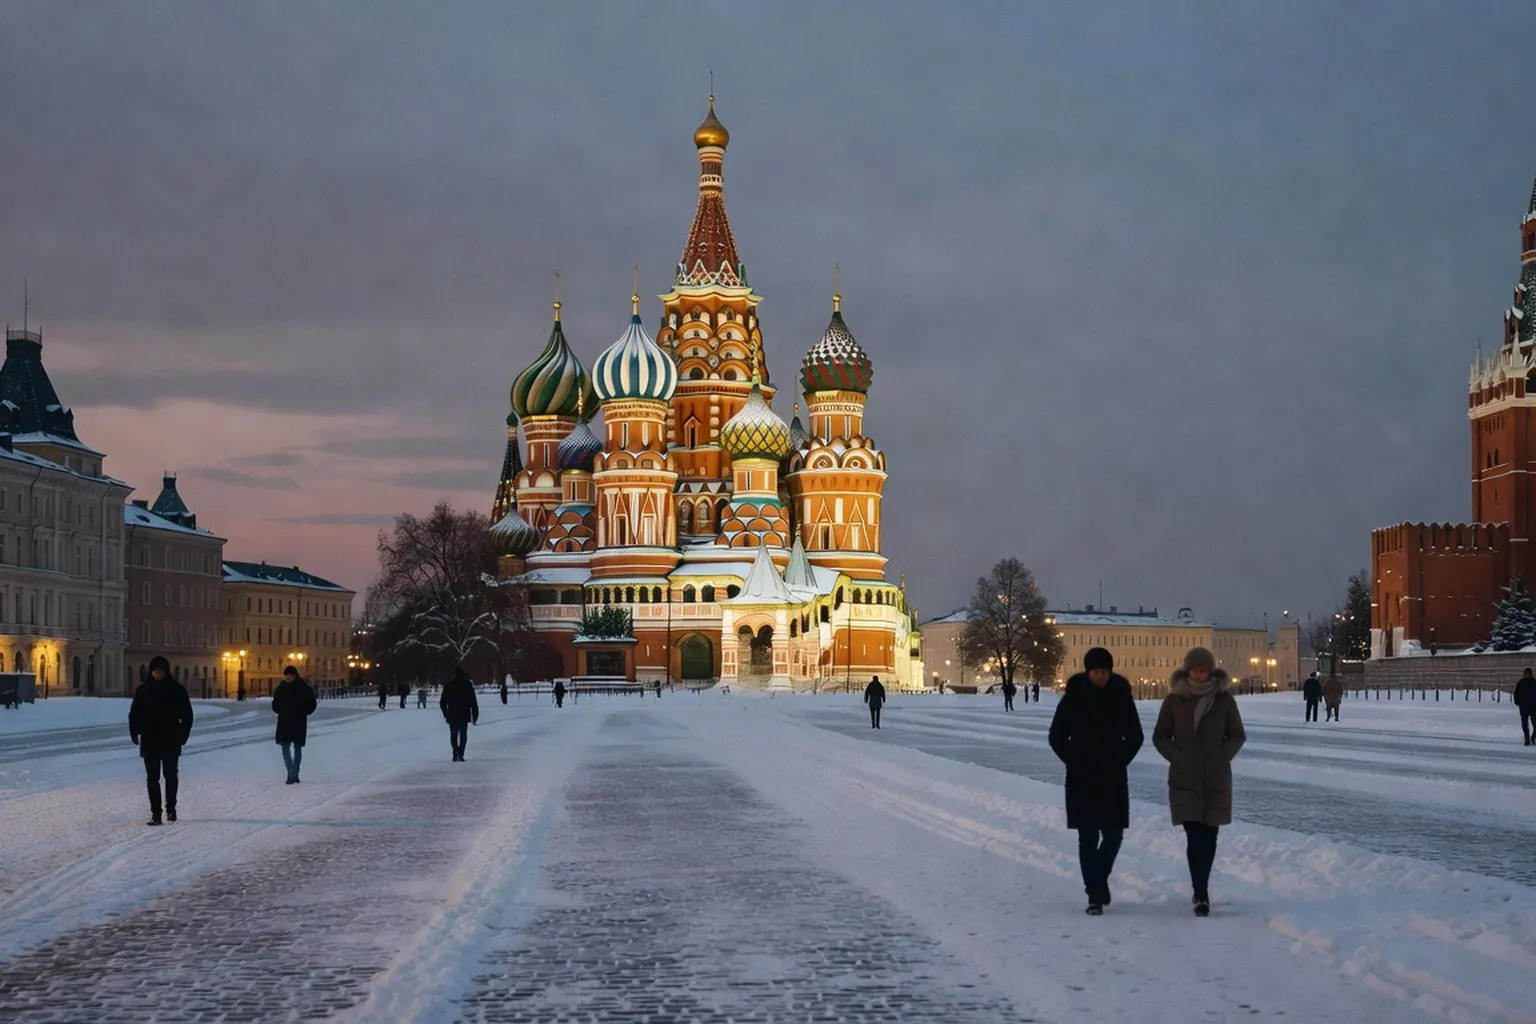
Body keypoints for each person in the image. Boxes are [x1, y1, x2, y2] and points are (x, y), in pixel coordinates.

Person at [1049, 647, 1144, 915]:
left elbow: (1135, 736)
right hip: (1082, 776)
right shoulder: (1073, 696)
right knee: (1087, 836)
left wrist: (1119, 759)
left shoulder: (1120, 696)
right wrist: (1074, 759)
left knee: (1114, 834)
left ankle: (1099, 879)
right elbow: (1056, 736)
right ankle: (1094, 893)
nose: (1101, 676)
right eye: (1096, 672)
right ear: (1088, 671)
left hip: (1113, 776)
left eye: (1105, 672)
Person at [1153, 647, 1246, 917]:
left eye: (1202, 669)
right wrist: (1177, 757)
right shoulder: (1174, 700)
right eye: (1193, 670)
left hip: (1216, 778)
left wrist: (1222, 756)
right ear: (1187, 671)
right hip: (1185, 778)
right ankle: (1200, 892)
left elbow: (1237, 735)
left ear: (1210, 671)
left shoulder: (1224, 700)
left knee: (1210, 837)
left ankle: (1201, 887)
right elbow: (1160, 736)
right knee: (1195, 837)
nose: (1197, 674)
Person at [128, 656, 194, 826]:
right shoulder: (143, 691)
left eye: (161, 672)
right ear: (151, 672)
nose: (158, 674)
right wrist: (135, 732)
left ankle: (171, 809)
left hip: (170, 740)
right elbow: (134, 714)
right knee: (152, 778)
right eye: (155, 671)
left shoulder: (177, 690)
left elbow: (187, 716)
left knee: (170, 776)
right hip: (150, 740)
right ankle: (156, 813)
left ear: (166, 672)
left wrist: (182, 736)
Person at [271, 665, 317, 784]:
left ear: (295, 676)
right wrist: (280, 710)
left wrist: (304, 710)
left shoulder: (304, 688)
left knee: (297, 747)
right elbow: (275, 704)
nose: (288, 677)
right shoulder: (281, 689)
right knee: (285, 747)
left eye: (290, 675)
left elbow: (312, 703)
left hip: (298, 721)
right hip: (285, 721)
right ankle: (292, 772)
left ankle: (293, 773)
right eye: (286, 675)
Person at [440, 667, 479, 761]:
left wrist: (446, 713)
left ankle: (455, 750)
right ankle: (461, 753)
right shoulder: (467, 685)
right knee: (463, 735)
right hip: (464, 713)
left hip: (452, 713)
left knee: (453, 734)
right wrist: (475, 714)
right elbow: (473, 701)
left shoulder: (448, 686)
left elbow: (442, 702)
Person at [1516, 668, 1536, 745]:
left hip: (1533, 706)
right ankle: (1526, 739)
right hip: (1524, 706)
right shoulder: (1521, 683)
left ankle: (1533, 737)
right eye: (1526, 674)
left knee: (1535, 723)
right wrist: (1517, 701)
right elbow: (1516, 693)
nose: (1527, 675)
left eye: (1528, 674)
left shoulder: (1534, 682)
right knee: (1525, 724)